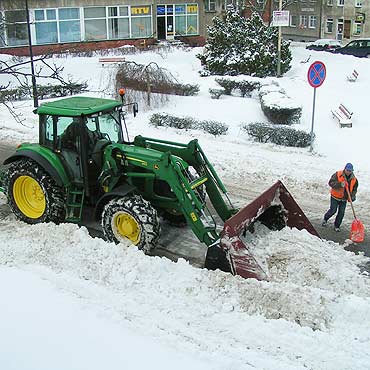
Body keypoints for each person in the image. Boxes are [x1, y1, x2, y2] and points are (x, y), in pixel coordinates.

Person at [322, 163, 358, 232]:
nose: (348, 172)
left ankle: (337, 226)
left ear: (352, 171)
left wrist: (352, 196)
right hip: (335, 197)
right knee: (333, 210)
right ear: (345, 169)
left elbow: (354, 189)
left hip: (344, 199)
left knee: (341, 213)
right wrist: (340, 184)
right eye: (347, 170)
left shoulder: (354, 180)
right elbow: (331, 183)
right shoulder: (338, 174)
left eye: (350, 171)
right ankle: (325, 219)